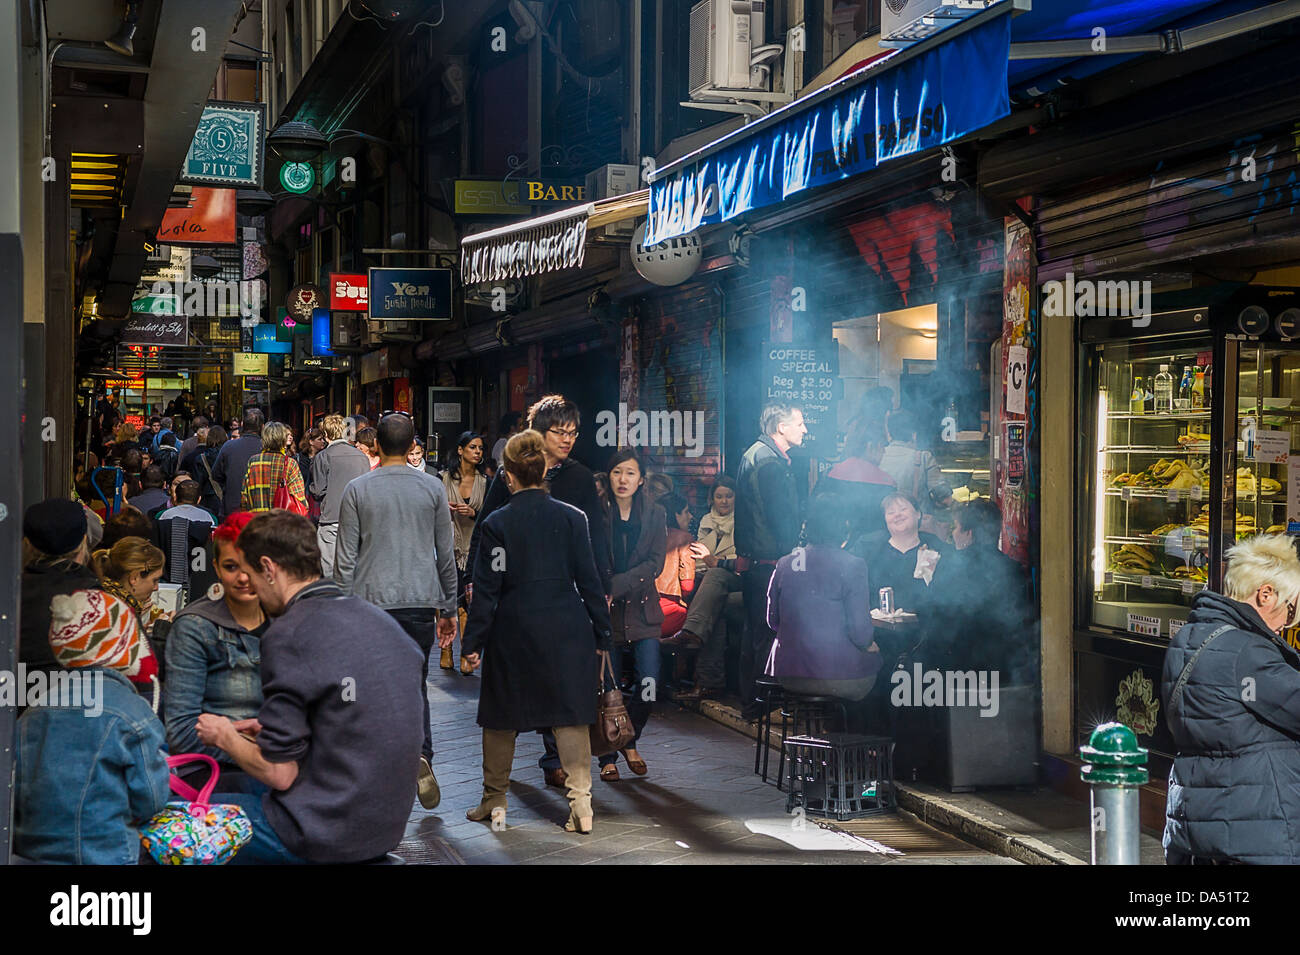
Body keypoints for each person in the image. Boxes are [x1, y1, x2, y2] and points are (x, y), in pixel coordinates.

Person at [196, 511, 424, 864]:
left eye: (254, 576)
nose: (252, 588)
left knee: (177, 822)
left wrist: (224, 734)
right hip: (386, 823)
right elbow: (352, 714)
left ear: (269, 569)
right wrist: (270, 729)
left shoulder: (288, 633)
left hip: (323, 829)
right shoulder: (379, 620)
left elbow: (280, 773)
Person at [461, 430, 612, 833]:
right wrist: (603, 634)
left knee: (500, 716)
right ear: (544, 469)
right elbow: (590, 580)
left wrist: (472, 642)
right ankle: (582, 807)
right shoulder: (572, 518)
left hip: (513, 631)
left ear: (508, 475)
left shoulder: (496, 524)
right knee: (570, 717)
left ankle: (494, 802)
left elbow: (487, 590)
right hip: (567, 628)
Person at [334, 412, 459, 811]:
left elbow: (345, 558)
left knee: (370, 687)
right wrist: (449, 607)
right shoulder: (432, 489)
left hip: (370, 603)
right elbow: (446, 554)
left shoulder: (357, 489)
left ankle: (379, 765)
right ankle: (421, 754)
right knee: (414, 682)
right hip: (420, 601)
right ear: (411, 447)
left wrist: (340, 607)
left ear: (375, 447)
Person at [1162, 534, 1300, 865]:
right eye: (1290, 608)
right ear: (1266, 594)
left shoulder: (1187, 639)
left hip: (1196, 820)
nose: (1287, 623)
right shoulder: (1248, 652)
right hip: (1256, 824)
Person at [14, 590, 170, 864]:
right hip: (107, 853)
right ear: (122, 646)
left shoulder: (33, 710)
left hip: (30, 852)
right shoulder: (133, 713)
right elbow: (151, 799)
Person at [164, 513, 266, 781]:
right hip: (219, 776)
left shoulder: (289, 619)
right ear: (217, 568)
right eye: (232, 567)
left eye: (252, 566)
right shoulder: (195, 627)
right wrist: (258, 751)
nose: (243, 577)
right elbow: (181, 732)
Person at [765, 494, 880, 702]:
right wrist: (869, 645)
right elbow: (861, 633)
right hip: (839, 678)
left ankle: (826, 729)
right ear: (844, 526)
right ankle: (849, 732)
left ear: (806, 526)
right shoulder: (853, 564)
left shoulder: (785, 562)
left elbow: (773, 622)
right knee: (882, 666)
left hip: (788, 675)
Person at [735, 401, 806, 721]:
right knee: (767, 634)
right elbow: (782, 518)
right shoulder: (770, 463)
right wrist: (792, 550)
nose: (805, 429)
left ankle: (753, 703)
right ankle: (762, 705)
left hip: (755, 561)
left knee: (756, 633)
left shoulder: (754, 454)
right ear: (781, 427)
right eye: (800, 423)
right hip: (769, 562)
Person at [599, 449, 667, 782]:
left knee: (650, 682)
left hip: (642, 610)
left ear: (641, 480)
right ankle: (608, 755)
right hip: (606, 612)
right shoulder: (597, 512)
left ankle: (630, 740)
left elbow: (656, 563)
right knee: (607, 687)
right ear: (608, 476)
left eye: (630, 473)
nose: (623, 479)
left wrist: (618, 584)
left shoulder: (655, 513)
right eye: (616, 472)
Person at [671, 476, 741, 702]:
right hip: (712, 589)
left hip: (736, 580)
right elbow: (696, 559)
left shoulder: (744, 523)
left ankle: (691, 633)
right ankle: (710, 684)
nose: (724, 501)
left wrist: (714, 560)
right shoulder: (704, 522)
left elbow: (734, 561)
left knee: (716, 576)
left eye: (729, 496)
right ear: (712, 499)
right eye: (719, 496)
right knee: (715, 608)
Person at [946, 499, 1032, 675]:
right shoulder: (1013, 567)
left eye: (955, 527)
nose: (953, 533)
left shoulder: (951, 567)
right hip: (1006, 663)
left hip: (962, 665)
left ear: (968, 533)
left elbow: (939, 616)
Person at [19, 498, 100, 676]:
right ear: (83, 542)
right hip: (79, 700)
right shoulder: (99, 600)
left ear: (27, 543)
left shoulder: (11, 594)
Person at [816, 386, 896, 546]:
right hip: (868, 554)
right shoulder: (885, 482)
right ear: (871, 446)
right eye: (882, 446)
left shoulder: (830, 474)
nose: (884, 450)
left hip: (833, 548)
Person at [92, 537, 167, 708]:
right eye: (155, 580)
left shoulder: (102, 597)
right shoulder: (120, 612)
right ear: (134, 578)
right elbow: (152, 666)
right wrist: (162, 630)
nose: (156, 588)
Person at [439, 431, 488, 674]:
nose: (477, 452)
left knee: (470, 600)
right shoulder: (443, 479)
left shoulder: (485, 481)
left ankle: (466, 651)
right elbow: (431, 512)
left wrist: (474, 514)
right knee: (451, 596)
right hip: (449, 545)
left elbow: (490, 518)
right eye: (472, 447)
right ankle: (447, 650)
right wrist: (443, 510)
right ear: (460, 450)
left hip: (473, 547)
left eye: (480, 448)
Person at [310, 413, 371, 578]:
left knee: (331, 572)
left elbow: (318, 491)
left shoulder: (322, 457)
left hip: (332, 518)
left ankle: (335, 601)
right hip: (358, 519)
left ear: (327, 435)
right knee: (354, 570)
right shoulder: (361, 457)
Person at [879, 407, 952, 533]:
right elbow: (945, 498)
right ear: (914, 434)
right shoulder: (923, 457)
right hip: (916, 531)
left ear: (889, 433)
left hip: (885, 527)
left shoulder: (878, 457)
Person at [240, 421, 307, 514]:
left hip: (257, 520)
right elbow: (300, 499)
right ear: (283, 439)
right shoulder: (290, 464)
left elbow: (244, 497)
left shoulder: (253, 461)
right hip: (282, 522)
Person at [656, 491, 697, 639]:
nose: (690, 517)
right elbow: (687, 586)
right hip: (671, 615)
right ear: (675, 515)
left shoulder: (644, 534)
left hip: (639, 615)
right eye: (686, 512)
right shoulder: (684, 538)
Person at [212, 408, 265, 518]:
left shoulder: (229, 446)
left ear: (242, 425)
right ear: (262, 426)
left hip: (232, 510)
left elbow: (216, 474)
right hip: (261, 512)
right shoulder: (266, 449)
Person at [185, 424, 227, 517]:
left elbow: (198, 482)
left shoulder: (201, 458)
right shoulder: (228, 456)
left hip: (208, 498)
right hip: (226, 497)